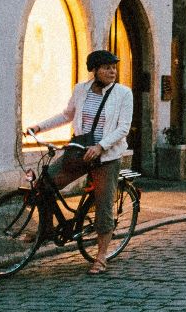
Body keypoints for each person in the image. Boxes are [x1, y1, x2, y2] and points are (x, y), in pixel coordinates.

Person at [27, 49, 133, 275]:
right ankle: (45, 230)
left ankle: (101, 256)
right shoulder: (81, 90)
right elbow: (66, 115)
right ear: (94, 70)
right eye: (106, 67)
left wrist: (101, 146)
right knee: (44, 185)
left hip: (106, 157)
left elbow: (123, 127)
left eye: (114, 67)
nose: (112, 71)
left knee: (104, 206)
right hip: (79, 152)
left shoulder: (123, 94)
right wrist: (39, 127)